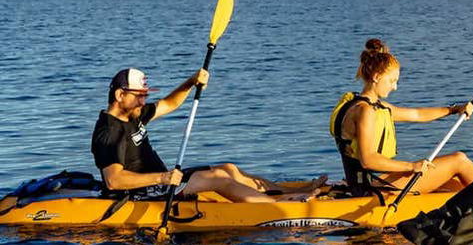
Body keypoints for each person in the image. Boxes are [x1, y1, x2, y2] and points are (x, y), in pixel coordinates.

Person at [91, 68, 324, 202]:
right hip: (144, 192)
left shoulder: (133, 114)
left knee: (228, 168)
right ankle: (279, 205)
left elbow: (169, 103)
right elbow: (114, 180)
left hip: (162, 181)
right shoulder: (109, 132)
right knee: (217, 179)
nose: (144, 100)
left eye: (145, 95)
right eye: (139, 95)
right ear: (120, 95)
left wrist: (192, 82)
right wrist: (163, 178)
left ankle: (293, 191)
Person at [330, 39, 473, 197]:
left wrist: (453, 109)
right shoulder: (365, 111)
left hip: (372, 183)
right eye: (392, 81)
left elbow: (417, 114)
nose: (395, 87)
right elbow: (368, 160)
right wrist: (412, 166)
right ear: (376, 77)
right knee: (458, 160)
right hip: (370, 190)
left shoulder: (362, 105)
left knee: (457, 184)